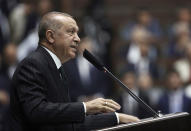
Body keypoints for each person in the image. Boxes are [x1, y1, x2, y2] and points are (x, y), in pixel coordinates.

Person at [7, 11, 139, 131]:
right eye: (71, 32)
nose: (78, 39)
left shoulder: (57, 68)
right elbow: (36, 111)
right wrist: (86, 107)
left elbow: (68, 123)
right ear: (50, 36)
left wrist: (116, 118)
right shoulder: (32, 65)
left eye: (77, 33)